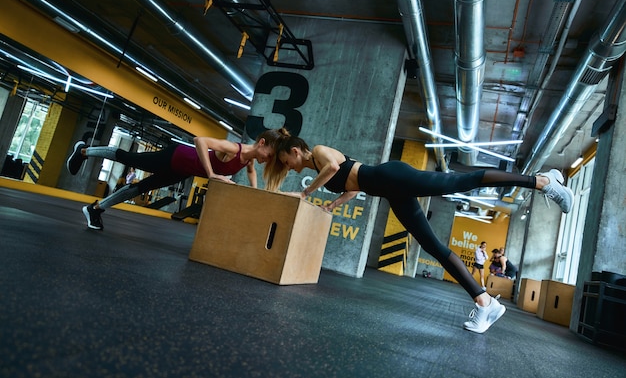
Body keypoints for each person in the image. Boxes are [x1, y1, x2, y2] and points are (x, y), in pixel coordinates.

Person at [267, 129, 574, 334]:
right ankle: (484, 302)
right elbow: (352, 185)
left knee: (456, 182)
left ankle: (542, 182)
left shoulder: (320, 153)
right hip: (390, 190)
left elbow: (335, 170)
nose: (290, 167)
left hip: (393, 176)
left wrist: (305, 194)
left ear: (296, 151)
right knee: (430, 245)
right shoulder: (317, 167)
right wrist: (331, 206)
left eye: (287, 161)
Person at [66, 129, 283, 230]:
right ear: (261, 143)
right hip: (175, 156)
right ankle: (84, 151)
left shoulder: (249, 159)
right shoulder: (234, 149)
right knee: (129, 158)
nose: (268, 160)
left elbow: (252, 172)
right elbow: (200, 140)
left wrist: (256, 191)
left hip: (182, 170)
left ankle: (96, 209)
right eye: (270, 155)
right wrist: (211, 174)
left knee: (142, 188)